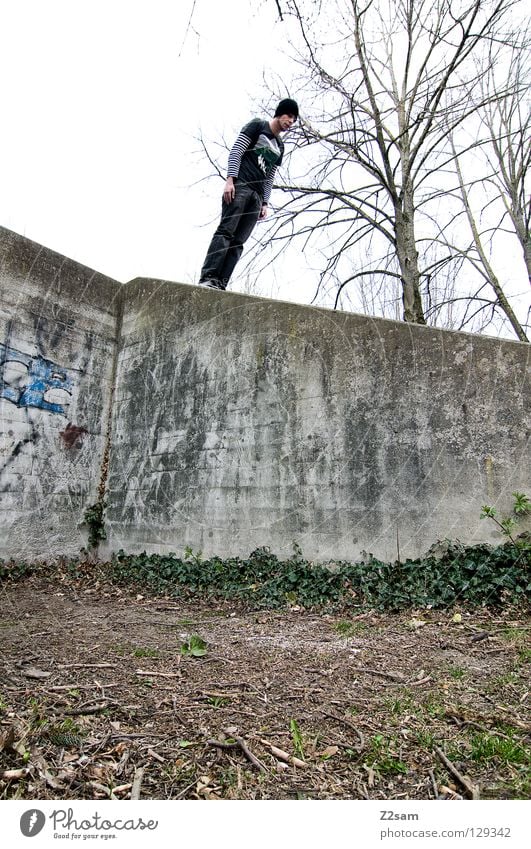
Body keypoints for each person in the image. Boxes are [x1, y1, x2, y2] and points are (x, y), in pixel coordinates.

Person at [198, 98, 299, 290]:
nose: (290, 122)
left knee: (238, 242)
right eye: (289, 116)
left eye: (294, 120)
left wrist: (265, 202)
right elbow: (237, 151)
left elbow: (270, 175)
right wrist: (230, 180)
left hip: (257, 197)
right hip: (241, 185)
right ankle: (208, 277)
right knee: (226, 231)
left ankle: (221, 283)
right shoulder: (258, 126)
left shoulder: (280, 146)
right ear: (280, 113)